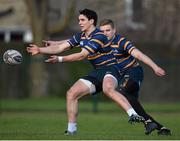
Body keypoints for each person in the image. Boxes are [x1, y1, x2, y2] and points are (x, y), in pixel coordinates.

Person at [27, 9, 144, 135]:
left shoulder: (99, 35)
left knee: (107, 89)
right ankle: (71, 131)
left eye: (82, 20)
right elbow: (61, 47)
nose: (80, 23)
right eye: (79, 20)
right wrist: (40, 50)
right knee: (72, 93)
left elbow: (82, 55)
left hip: (112, 68)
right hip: (98, 71)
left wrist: (60, 59)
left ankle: (133, 114)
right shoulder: (80, 36)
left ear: (91, 21)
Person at [99, 19, 171, 135]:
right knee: (130, 102)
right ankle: (160, 128)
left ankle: (149, 123)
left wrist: (155, 67)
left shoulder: (121, 42)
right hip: (122, 75)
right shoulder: (100, 44)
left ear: (114, 30)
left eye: (108, 30)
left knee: (123, 94)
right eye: (102, 31)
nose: (105, 33)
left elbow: (139, 55)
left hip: (134, 72)